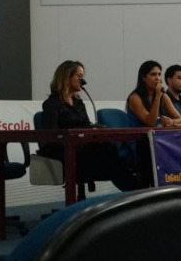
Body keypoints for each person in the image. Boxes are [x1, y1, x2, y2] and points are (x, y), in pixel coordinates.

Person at [41, 60, 138, 191]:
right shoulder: (51, 104)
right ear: (67, 77)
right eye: (79, 77)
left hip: (83, 150)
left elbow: (86, 127)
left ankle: (137, 190)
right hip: (64, 153)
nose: (83, 81)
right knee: (111, 161)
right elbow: (52, 135)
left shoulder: (78, 102)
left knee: (111, 152)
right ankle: (136, 192)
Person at [126, 60, 181, 127]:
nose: (157, 78)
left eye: (159, 74)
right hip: (139, 133)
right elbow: (150, 123)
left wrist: (172, 122)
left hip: (157, 133)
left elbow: (180, 119)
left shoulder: (163, 95)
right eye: (153, 74)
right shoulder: (134, 98)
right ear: (143, 78)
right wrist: (157, 96)